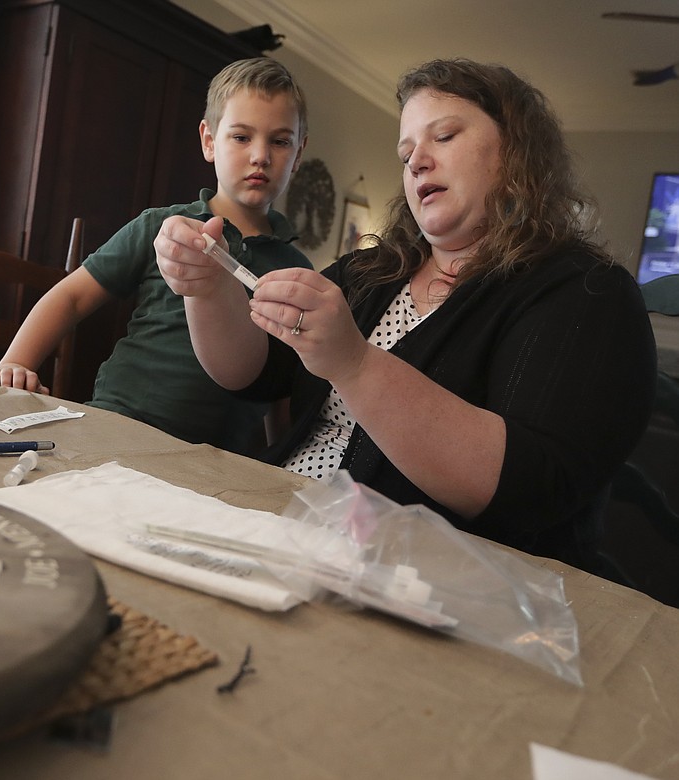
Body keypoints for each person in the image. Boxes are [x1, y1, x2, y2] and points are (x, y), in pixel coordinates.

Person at [154, 58, 657, 570]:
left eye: (443, 137)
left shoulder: (588, 293)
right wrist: (207, 288)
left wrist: (354, 363)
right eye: (406, 151)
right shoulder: (368, 272)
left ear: (515, 150)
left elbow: (530, 487)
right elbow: (255, 374)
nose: (416, 161)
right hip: (283, 529)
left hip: (423, 585)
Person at [0, 57, 313, 456]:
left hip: (219, 463)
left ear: (299, 153)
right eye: (241, 137)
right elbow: (70, 296)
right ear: (209, 141)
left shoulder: (300, 272)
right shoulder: (159, 226)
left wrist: (281, 456)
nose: (260, 155)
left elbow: (281, 380)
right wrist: (16, 364)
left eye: (280, 141)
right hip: (116, 426)